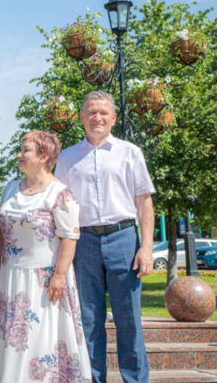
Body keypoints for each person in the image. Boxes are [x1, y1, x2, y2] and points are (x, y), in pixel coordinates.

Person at [54, 90, 155, 383]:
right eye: (91, 112)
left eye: (103, 113)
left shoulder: (130, 152)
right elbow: (59, 207)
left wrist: (146, 248)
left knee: (129, 320)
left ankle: (135, 379)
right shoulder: (68, 158)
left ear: (112, 118)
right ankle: (92, 379)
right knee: (88, 320)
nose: (97, 117)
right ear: (82, 118)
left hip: (123, 238)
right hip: (82, 242)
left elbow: (144, 202)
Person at [0, 131, 92, 383]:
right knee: (14, 343)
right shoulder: (9, 188)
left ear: (43, 155)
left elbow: (70, 237)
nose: (19, 154)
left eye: (25, 150)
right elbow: (1, 234)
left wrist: (59, 276)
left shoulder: (59, 193)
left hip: (46, 280)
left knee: (42, 338)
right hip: (13, 277)